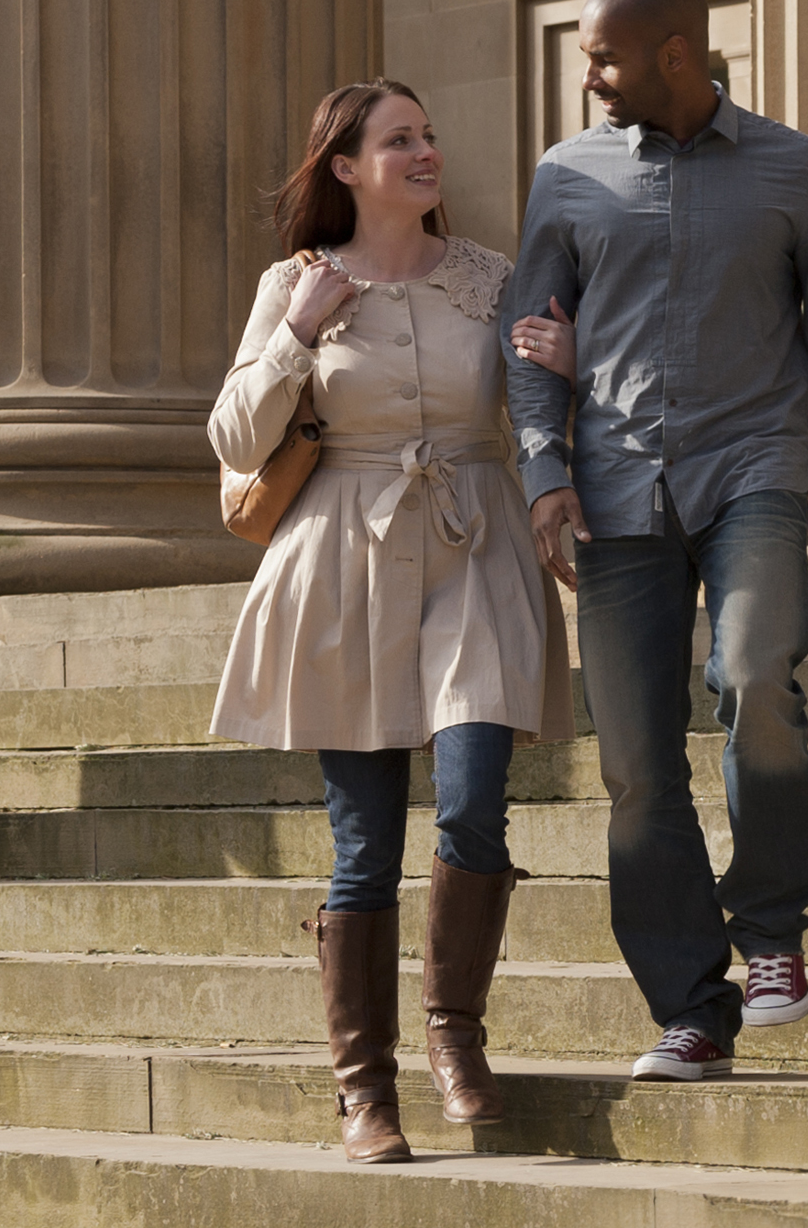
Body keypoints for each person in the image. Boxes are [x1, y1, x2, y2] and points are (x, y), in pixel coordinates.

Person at [500, 0, 808, 1082]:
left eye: (604, 58)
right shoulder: (565, 176)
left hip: (749, 472)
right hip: (615, 491)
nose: (587, 76)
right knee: (632, 765)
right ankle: (689, 1009)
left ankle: (769, 933)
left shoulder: (791, 169)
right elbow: (530, 337)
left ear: (675, 53)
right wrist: (542, 472)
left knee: (754, 671)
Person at [208, 82, 564, 1162]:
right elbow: (232, 437)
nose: (424, 151)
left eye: (428, 134)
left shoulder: (489, 279)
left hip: (472, 547)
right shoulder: (294, 284)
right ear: (346, 168)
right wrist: (292, 341)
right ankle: (363, 1090)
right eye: (397, 139)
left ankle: (454, 1035)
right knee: (362, 846)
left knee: (472, 802)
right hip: (342, 568)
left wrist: (569, 373)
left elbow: (545, 411)